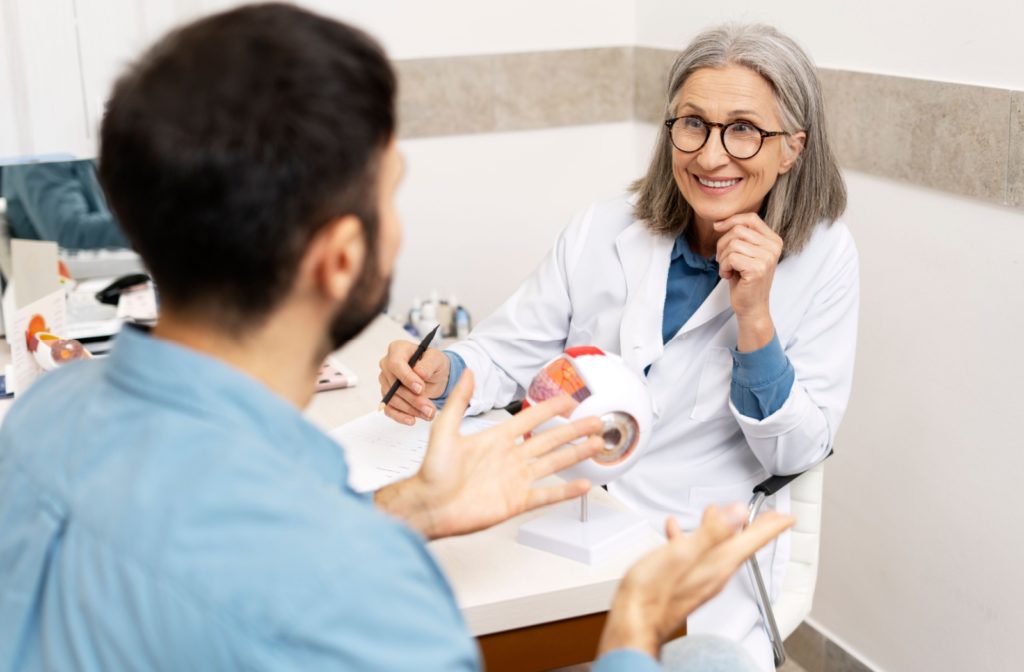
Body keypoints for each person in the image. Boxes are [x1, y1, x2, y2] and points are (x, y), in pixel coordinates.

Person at [0, 6, 792, 671]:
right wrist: (632, 632)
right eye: (393, 192)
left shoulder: (43, 412)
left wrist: (403, 506)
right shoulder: (376, 606)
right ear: (342, 257)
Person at [379, 23, 858, 670]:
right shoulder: (605, 229)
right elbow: (504, 354)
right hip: (563, 518)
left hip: (690, 551)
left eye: (744, 129)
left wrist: (756, 320)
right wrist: (439, 371)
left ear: (792, 149)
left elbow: (799, 449)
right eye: (693, 124)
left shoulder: (824, 259)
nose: (712, 156)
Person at [1, 159, 130, 249]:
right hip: (63, 278)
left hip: (98, 269)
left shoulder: (79, 148)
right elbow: (70, 233)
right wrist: (141, 226)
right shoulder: (39, 156)